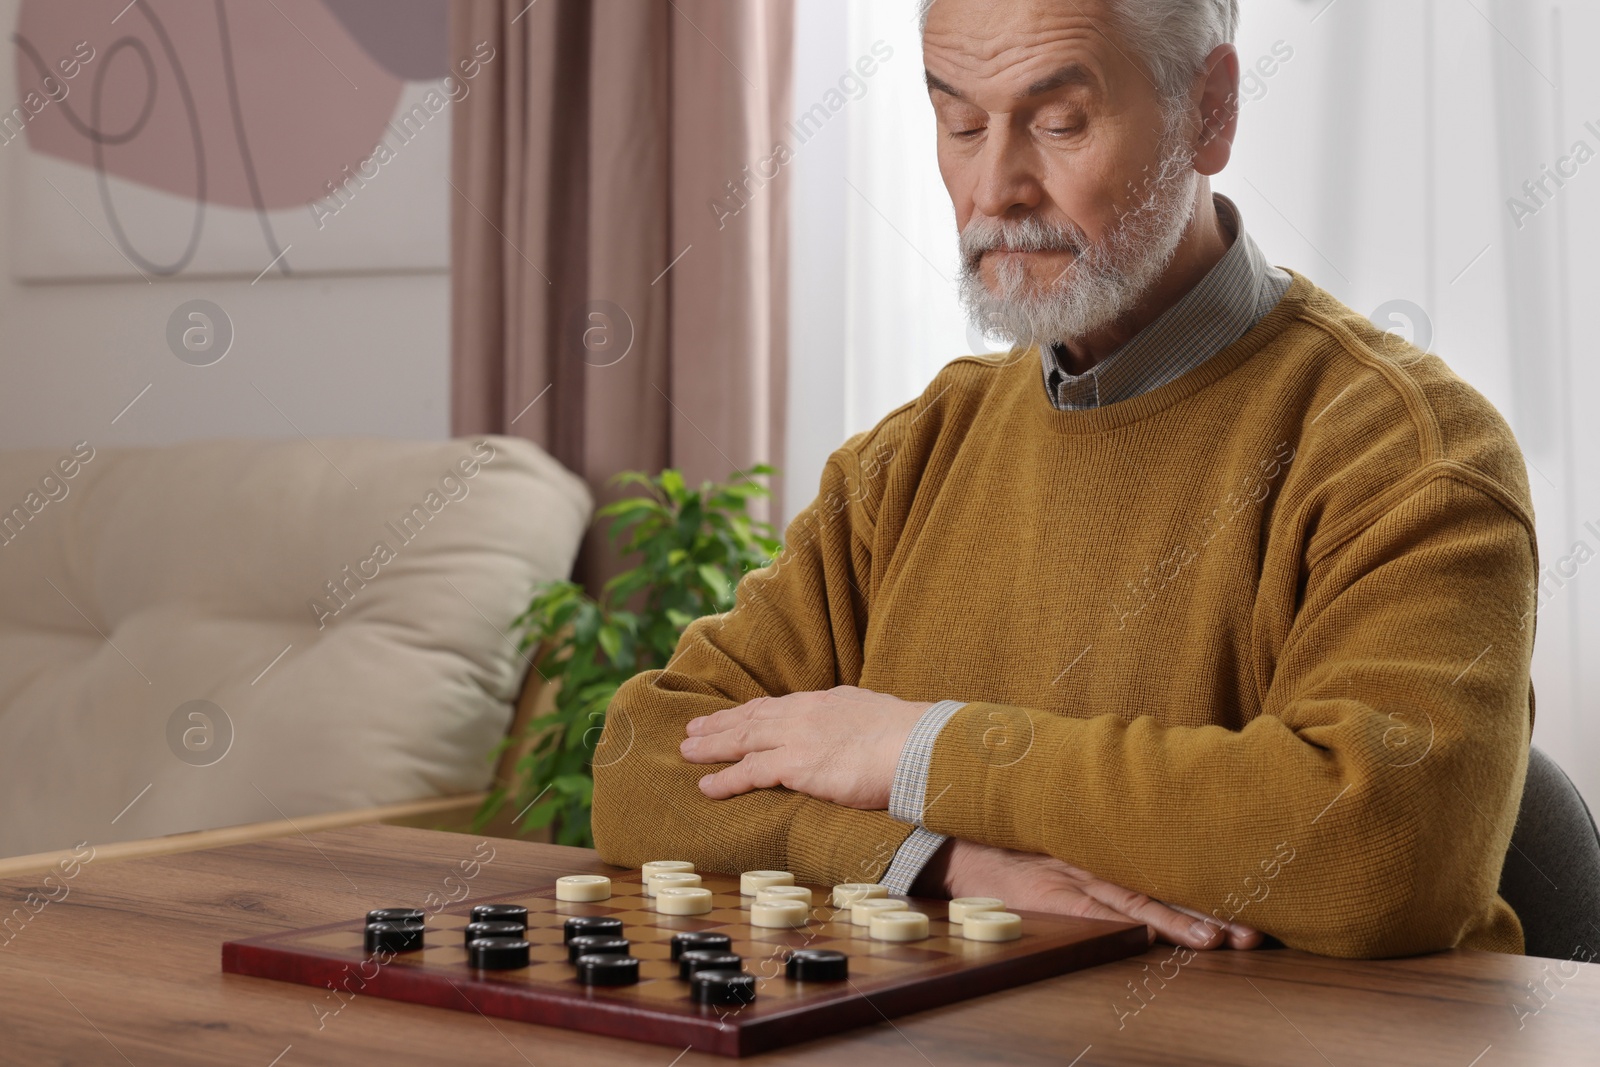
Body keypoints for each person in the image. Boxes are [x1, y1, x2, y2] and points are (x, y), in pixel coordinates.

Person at [591, 0, 1537, 959]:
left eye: (1057, 122)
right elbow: (643, 763)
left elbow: (1383, 850)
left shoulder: (1410, 451)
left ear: (1209, 112)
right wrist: (938, 857)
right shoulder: (913, 456)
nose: (995, 186)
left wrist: (916, 750)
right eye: (959, 123)